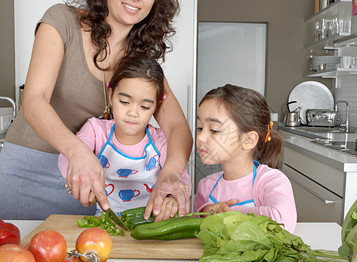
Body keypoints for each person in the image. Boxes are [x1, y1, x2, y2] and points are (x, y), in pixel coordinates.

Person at [0, 0, 192, 220]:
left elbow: (178, 127)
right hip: (30, 173)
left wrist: (171, 173)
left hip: (91, 187)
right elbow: (34, 100)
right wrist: (77, 151)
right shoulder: (62, 20)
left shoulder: (141, 61)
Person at [58, 57, 190, 218]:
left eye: (145, 106)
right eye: (125, 101)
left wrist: (171, 198)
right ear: (111, 95)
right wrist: (80, 178)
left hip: (150, 225)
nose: (133, 113)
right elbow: (67, 157)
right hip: (107, 224)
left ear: (156, 106)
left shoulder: (160, 141)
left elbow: (180, 176)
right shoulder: (95, 130)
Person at [194, 84, 297, 232]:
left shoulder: (270, 181)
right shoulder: (207, 186)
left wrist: (227, 215)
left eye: (214, 130)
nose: (201, 137)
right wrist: (206, 212)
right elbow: (193, 226)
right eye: (199, 128)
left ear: (248, 140)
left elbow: (282, 221)